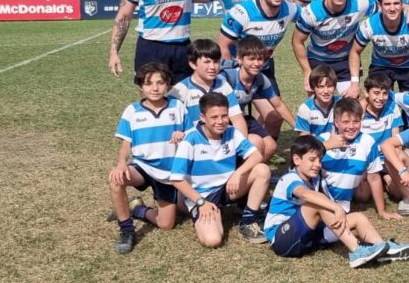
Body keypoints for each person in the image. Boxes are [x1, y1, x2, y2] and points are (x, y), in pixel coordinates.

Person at [264, 135, 401, 268]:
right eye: (312, 160)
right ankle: (356, 250)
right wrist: (336, 207)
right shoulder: (289, 178)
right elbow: (304, 194)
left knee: (358, 217)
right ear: (296, 160)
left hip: (308, 236)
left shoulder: (314, 179)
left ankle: (383, 248)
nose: (317, 165)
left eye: (319, 160)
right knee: (317, 203)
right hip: (282, 240)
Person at [171, 92, 272, 247]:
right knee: (213, 240)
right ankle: (149, 208)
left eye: (224, 116)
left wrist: (238, 173)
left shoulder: (232, 132)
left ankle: (248, 220)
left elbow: (257, 155)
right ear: (202, 117)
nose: (220, 121)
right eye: (214, 117)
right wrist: (201, 202)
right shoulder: (190, 139)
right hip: (203, 196)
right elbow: (177, 179)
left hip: (227, 188)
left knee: (262, 170)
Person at [320, 100, 409, 252]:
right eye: (345, 122)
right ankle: (371, 250)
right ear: (336, 122)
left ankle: (382, 249)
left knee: (356, 219)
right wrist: (326, 146)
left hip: (340, 210)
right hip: (318, 207)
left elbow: (373, 178)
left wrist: (381, 211)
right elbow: (300, 161)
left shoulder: (367, 142)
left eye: (356, 121)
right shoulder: (322, 140)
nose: (351, 126)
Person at [108, 63, 186, 254]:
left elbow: (192, 134)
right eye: (148, 83)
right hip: (142, 167)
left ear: (168, 85)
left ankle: (137, 209)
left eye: (160, 83)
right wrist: (121, 164)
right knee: (116, 180)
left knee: (166, 224)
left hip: (169, 173)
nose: (155, 88)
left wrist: (183, 135)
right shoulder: (132, 111)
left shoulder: (177, 106)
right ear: (140, 87)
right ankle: (126, 229)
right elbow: (126, 144)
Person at [292, 0, 374, 97]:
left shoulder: (360, 3)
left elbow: (384, 9)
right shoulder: (312, 12)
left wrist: (406, 8)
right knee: (318, 104)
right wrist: (307, 71)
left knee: (352, 103)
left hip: (345, 60)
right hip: (317, 60)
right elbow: (297, 41)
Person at [218, 0, 296, 97]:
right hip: (238, 68)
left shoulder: (291, 9)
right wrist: (231, 75)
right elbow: (222, 45)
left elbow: (311, 19)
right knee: (235, 108)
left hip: (264, 65)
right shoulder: (242, 13)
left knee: (275, 110)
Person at [222, 35, 296, 162]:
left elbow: (278, 105)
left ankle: (250, 171)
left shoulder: (261, 79)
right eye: (251, 59)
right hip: (223, 122)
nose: (256, 63)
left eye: (260, 59)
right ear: (239, 58)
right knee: (256, 143)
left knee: (271, 147)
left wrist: (299, 128)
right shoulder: (227, 78)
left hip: (242, 119)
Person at [168, 40, 247, 135]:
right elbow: (172, 126)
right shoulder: (179, 91)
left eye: (216, 62)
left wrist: (242, 142)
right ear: (193, 64)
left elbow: (237, 119)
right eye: (207, 62)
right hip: (192, 141)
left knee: (255, 140)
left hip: (221, 140)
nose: (212, 67)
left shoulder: (223, 85)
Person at [295, 65, 340, 139]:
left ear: (335, 87)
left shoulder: (341, 104)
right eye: (321, 87)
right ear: (313, 88)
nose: (326, 91)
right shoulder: (305, 109)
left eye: (329, 86)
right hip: (314, 145)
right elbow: (304, 140)